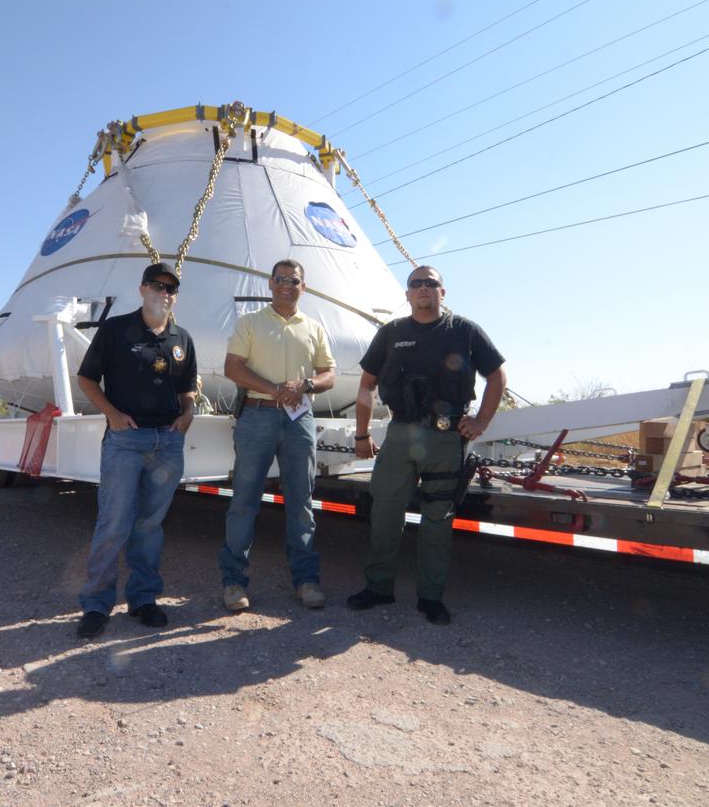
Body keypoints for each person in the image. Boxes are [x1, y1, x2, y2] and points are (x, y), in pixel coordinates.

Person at [347, 265, 505, 625]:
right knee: (385, 512)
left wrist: (481, 421)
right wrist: (361, 433)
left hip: (446, 438)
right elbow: (366, 385)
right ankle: (378, 588)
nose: (423, 289)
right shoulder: (391, 333)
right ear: (406, 294)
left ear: (442, 292)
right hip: (401, 434)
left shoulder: (463, 331)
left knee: (437, 519)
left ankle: (431, 597)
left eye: (430, 283)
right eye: (415, 284)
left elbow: (497, 375)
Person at [74, 263, 198, 639]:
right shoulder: (116, 329)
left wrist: (188, 414)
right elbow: (86, 378)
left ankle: (143, 599)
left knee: (150, 525)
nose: (165, 293)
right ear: (142, 289)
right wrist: (111, 414)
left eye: (171, 289)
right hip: (126, 440)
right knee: (114, 521)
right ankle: (96, 605)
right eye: (158, 286)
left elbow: (187, 387)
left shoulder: (182, 338)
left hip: (167, 441)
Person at [218, 259, 336, 611]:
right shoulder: (249, 323)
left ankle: (306, 581)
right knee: (244, 502)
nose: (287, 285)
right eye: (281, 279)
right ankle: (234, 583)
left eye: (294, 280)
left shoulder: (313, 327)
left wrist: (307, 385)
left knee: (301, 504)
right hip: (257, 416)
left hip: (298, 420)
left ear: (304, 286)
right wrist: (276, 389)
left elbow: (329, 372)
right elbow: (232, 368)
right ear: (270, 284)